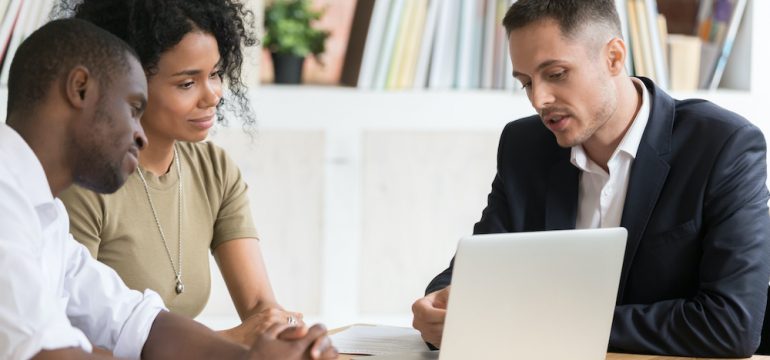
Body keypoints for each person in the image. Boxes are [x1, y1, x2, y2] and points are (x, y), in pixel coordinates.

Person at [411, 0, 770, 357]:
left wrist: (548, 323)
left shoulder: (723, 146)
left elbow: (731, 325)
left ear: (613, 57)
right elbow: (475, 271)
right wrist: (438, 307)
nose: (539, 99)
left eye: (555, 74)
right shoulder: (524, 148)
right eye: (525, 82)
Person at [0, 18, 337, 360]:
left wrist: (253, 356)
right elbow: (49, 356)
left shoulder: (46, 214)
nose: (140, 135)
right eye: (133, 109)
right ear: (80, 88)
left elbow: (137, 321)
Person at [54, 0, 299, 346]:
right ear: (126, 82)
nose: (213, 95)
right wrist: (221, 343)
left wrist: (287, 331)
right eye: (187, 83)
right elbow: (69, 346)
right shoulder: (85, 185)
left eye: (214, 74)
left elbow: (261, 307)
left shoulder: (214, 169)